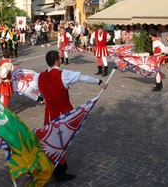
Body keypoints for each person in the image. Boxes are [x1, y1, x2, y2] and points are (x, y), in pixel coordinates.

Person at [25, 50, 108, 182]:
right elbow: (83, 78)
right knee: (61, 143)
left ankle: (43, 166)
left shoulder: (39, 76)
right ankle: (60, 172)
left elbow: (27, 91)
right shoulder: (64, 74)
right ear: (57, 61)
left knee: (48, 141)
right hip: (63, 114)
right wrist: (99, 82)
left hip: (49, 114)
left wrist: (39, 99)